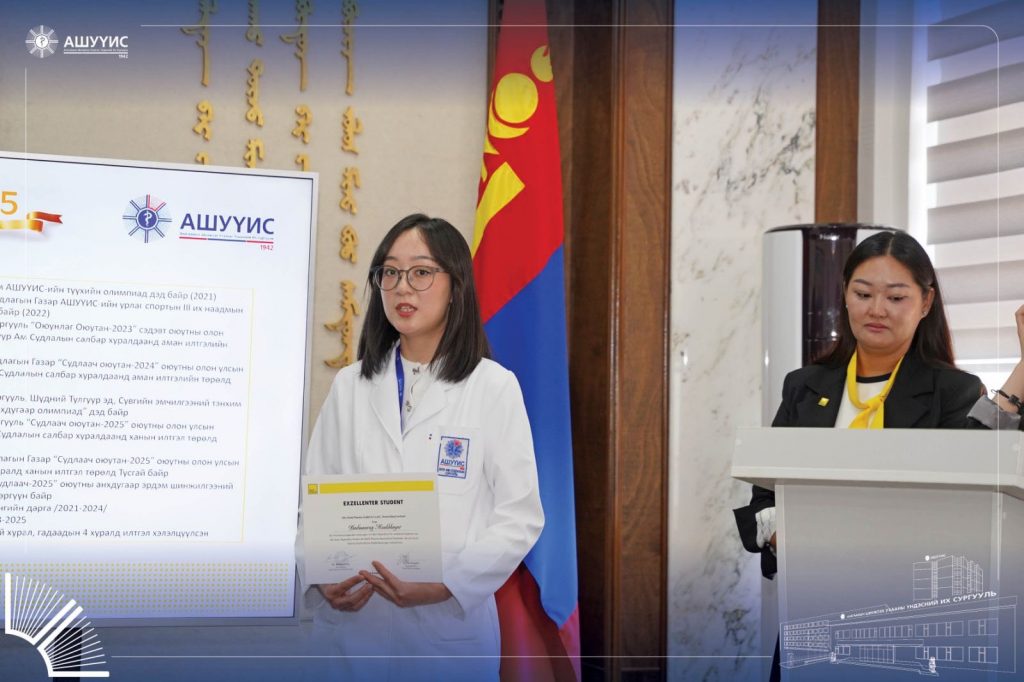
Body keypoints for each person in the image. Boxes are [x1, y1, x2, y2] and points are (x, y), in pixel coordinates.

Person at [733, 230, 1024, 681]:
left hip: (910, 624)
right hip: (811, 610)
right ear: (845, 295)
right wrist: (782, 537)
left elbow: (981, 482)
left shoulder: (953, 391)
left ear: (926, 303)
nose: (876, 309)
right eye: (863, 293)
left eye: (896, 297)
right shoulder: (804, 385)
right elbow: (763, 499)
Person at [297, 214, 544, 681]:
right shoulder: (350, 385)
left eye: (421, 272)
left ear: (456, 286)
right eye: (390, 272)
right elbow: (314, 505)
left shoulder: (492, 387)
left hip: (445, 640)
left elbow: (520, 516)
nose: (402, 287)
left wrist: (448, 584)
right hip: (353, 636)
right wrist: (321, 576)